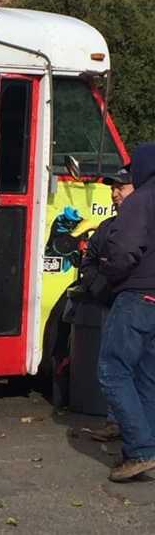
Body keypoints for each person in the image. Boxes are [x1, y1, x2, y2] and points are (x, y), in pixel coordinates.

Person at [99, 143, 155, 481]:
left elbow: (123, 251)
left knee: (112, 370)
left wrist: (109, 275)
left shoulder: (140, 201)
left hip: (136, 296)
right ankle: (145, 447)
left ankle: (140, 450)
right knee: (147, 378)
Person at [76, 165, 133, 442]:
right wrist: (101, 289)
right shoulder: (107, 227)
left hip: (142, 307)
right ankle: (115, 423)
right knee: (114, 367)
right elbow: (87, 262)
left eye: (120, 187)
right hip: (112, 306)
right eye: (112, 188)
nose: (114, 194)